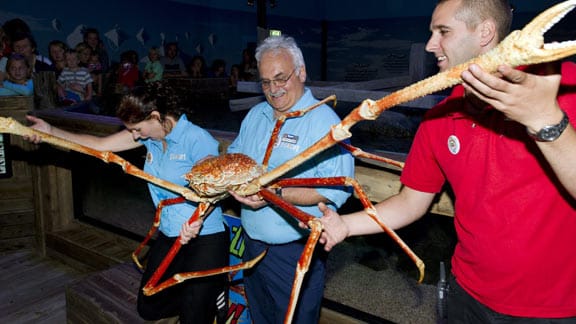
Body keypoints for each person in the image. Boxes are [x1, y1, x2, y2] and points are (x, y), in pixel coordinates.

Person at [317, 0, 576, 322]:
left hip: (556, 308)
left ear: (484, 32)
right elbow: (411, 201)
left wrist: (544, 118)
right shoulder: (440, 117)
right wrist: (345, 224)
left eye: (443, 32)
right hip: (467, 294)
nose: (429, 45)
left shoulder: (562, 87)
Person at [25, 82, 230, 324]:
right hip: (170, 233)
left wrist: (197, 219)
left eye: (137, 129)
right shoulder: (151, 137)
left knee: (193, 318)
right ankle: (205, 293)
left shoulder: (197, 139)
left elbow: (215, 185)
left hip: (205, 234)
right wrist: (50, 131)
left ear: (155, 117)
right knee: (149, 307)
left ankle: (204, 296)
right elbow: (98, 146)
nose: (134, 135)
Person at [227, 35, 354, 323]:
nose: (273, 89)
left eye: (281, 78)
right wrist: (232, 183)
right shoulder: (255, 115)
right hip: (252, 244)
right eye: (265, 82)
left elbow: (338, 187)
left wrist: (275, 194)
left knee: (296, 319)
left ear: (302, 72)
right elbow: (235, 157)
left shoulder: (326, 123)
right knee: (260, 315)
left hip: (296, 250)